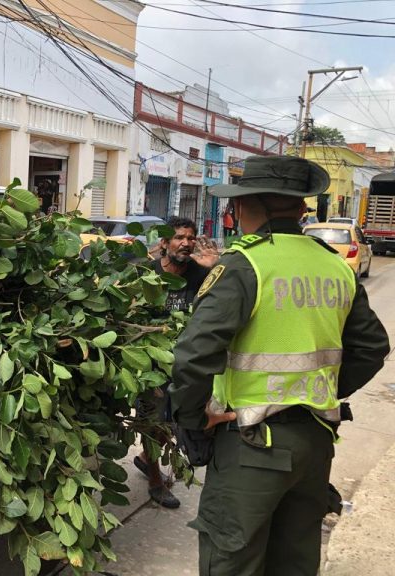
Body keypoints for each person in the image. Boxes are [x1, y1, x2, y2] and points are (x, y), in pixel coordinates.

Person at [168, 155, 390, 575]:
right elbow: (372, 347)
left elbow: (194, 354)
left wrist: (195, 418)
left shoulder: (244, 264)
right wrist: (318, 390)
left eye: (236, 205)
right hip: (315, 443)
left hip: (252, 445)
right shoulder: (334, 266)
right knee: (293, 560)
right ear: (300, 208)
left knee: (231, 561)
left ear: (251, 206)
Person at [134, 216, 219, 508]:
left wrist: (217, 266)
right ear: (164, 243)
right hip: (150, 362)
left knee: (174, 420)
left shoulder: (200, 274)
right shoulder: (147, 272)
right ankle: (156, 481)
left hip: (185, 362)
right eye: (179, 237)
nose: (186, 243)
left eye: (190, 238)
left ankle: (147, 458)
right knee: (152, 419)